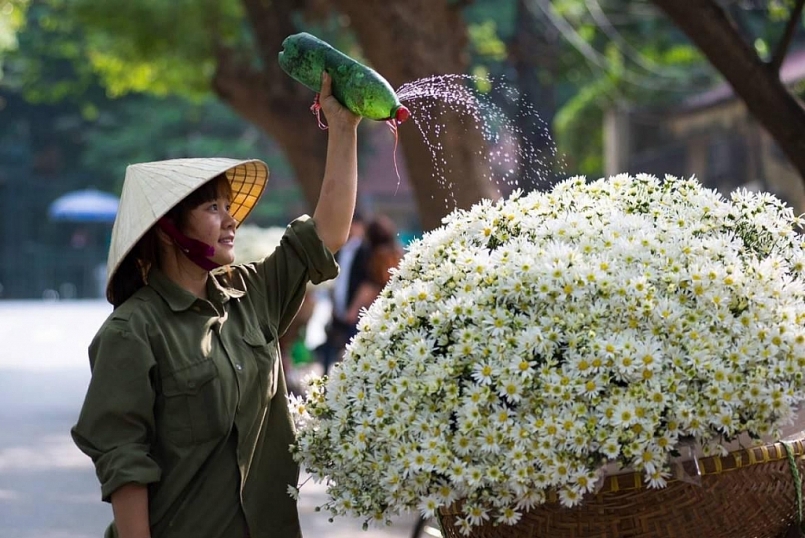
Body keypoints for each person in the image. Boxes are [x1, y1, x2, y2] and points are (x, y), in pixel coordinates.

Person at [70, 72, 360, 538]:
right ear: (168, 229)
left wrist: (343, 129)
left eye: (230, 207)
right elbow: (124, 462)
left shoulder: (253, 295)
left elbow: (327, 234)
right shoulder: (132, 331)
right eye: (213, 209)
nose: (231, 221)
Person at [318, 211, 367, 373]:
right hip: (338, 310)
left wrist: (354, 308)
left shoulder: (364, 251)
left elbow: (365, 283)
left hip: (355, 312)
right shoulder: (339, 251)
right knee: (328, 351)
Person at [344, 214, 404, 325]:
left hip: (376, 312)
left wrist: (353, 310)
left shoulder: (375, 258)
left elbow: (370, 285)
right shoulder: (399, 253)